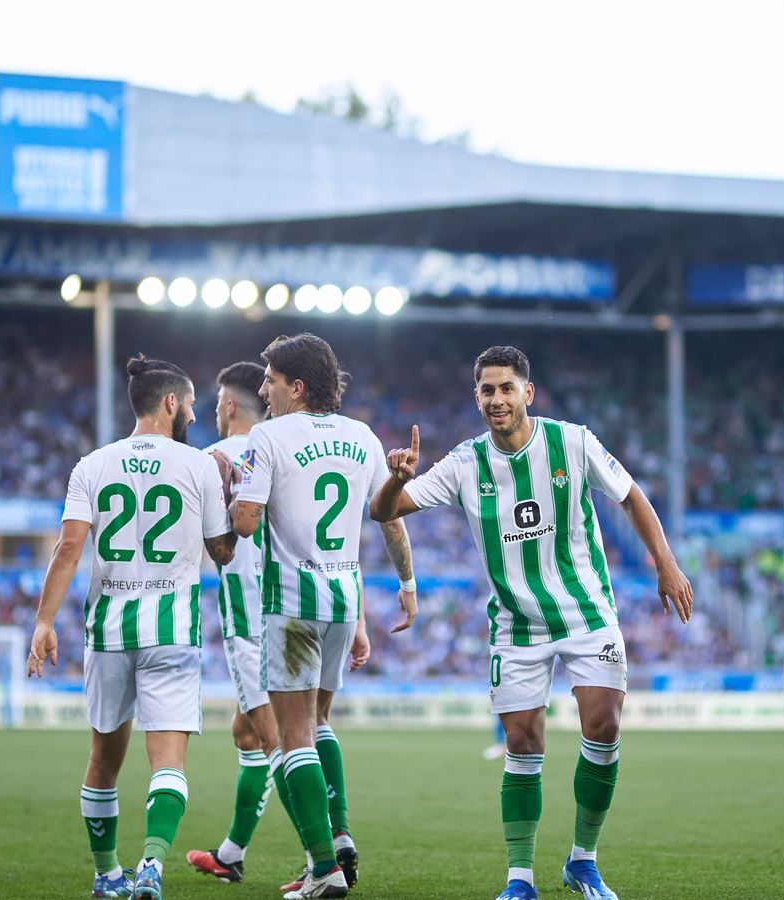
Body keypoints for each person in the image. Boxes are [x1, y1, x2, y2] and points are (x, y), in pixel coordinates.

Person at [369, 345, 694, 900]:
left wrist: (665, 562)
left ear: (528, 392)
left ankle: (583, 861)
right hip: (517, 624)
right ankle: (520, 878)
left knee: (604, 727)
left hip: (586, 612)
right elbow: (384, 512)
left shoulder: (573, 441)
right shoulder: (465, 463)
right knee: (522, 742)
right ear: (477, 398)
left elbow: (631, 496)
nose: (497, 399)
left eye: (506, 388)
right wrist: (397, 480)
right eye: (487, 390)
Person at [27, 355, 237, 900]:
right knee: (168, 762)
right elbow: (222, 551)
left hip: (108, 631)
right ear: (170, 402)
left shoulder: (92, 465)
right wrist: (233, 500)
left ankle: (106, 875)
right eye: (190, 404)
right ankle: (152, 866)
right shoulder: (199, 466)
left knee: (103, 759)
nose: (194, 414)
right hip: (171, 631)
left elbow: (69, 548)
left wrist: (44, 621)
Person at [228, 334, 418, 899]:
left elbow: (245, 522)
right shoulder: (362, 437)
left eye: (270, 380)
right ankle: (339, 834)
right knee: (320, 722)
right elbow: (388, 515)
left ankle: (323, 868)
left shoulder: (267, 436)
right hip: (342, 603)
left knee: (293, 740)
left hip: (291, 605)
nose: (263, 390)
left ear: (297, 387)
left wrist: (230, 489)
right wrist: (407, 584)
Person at [186, 361, 301, 884]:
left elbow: (210, 543)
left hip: (251, 623)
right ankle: (231, 854)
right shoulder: (286, 451)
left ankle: (325, 857)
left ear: (229, 407)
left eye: (215, 405)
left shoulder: (213, 460)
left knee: (278, 743)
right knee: (246, 734)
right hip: (296, 611)